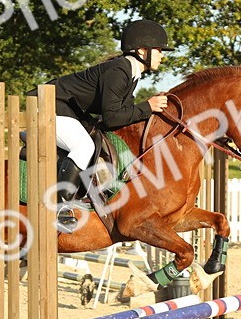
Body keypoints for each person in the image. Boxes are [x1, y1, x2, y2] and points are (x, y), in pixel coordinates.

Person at [30, 19, 171, 231]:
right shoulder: (119, 70)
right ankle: (61, 206)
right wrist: (147, 106)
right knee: (84, 146)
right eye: (159, 50)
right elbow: (113, 117)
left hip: (69, 112)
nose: (162, 55)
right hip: (48, 107)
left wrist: (149, 109)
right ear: (142, 51)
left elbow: (119, 118)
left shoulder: (131, 73)